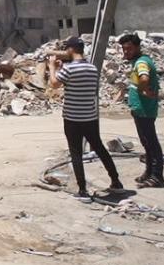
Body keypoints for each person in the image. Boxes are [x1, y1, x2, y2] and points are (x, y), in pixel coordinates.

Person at [49, 36, 122, 199]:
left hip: (72, 118)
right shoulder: (92, 68)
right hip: (90, 117)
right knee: (100, 148)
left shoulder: (69, 69)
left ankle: (82, 190)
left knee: (75, 153)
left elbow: (54, 84)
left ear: (70, 50)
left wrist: (52, 68)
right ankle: (116, 181)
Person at [117, 33, 164, 188]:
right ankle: (149, 171)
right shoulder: (138, 62)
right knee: (146, 142)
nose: (126, 52)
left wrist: (143, 90)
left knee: (151, 142)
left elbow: (144, 78)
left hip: (145, 110)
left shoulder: (141, 63)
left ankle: (157, 175)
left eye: (129, 49)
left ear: (138, 47)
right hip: (140, 110)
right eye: (124, 50)